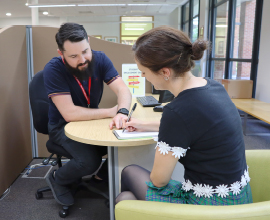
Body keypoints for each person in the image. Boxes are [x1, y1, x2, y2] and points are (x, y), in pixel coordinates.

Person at [115, 26, 253, 206]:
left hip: (211, 206)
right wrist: (144, 124)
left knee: (126, 187)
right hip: (239, 198)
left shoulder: (177, 111)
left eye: (144, 71)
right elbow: (195, 126)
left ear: (165, 72)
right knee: (127, 195)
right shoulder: (213, 86)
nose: (142, 76)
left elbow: (159, 180)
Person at [43, 23, 132, 206]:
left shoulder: (100, 59)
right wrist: (110, 111)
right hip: (62, 127)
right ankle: (57, 178)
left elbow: (123, 89)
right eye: (74, 56)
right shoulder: (53, 69)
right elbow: (69, 113)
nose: (82, 59)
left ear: (89, 43)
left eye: (85, 51)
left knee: (125, 144)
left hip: (90, 122)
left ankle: (99, 179)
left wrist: (122, 111)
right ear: (61, 54)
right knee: (89, 162)